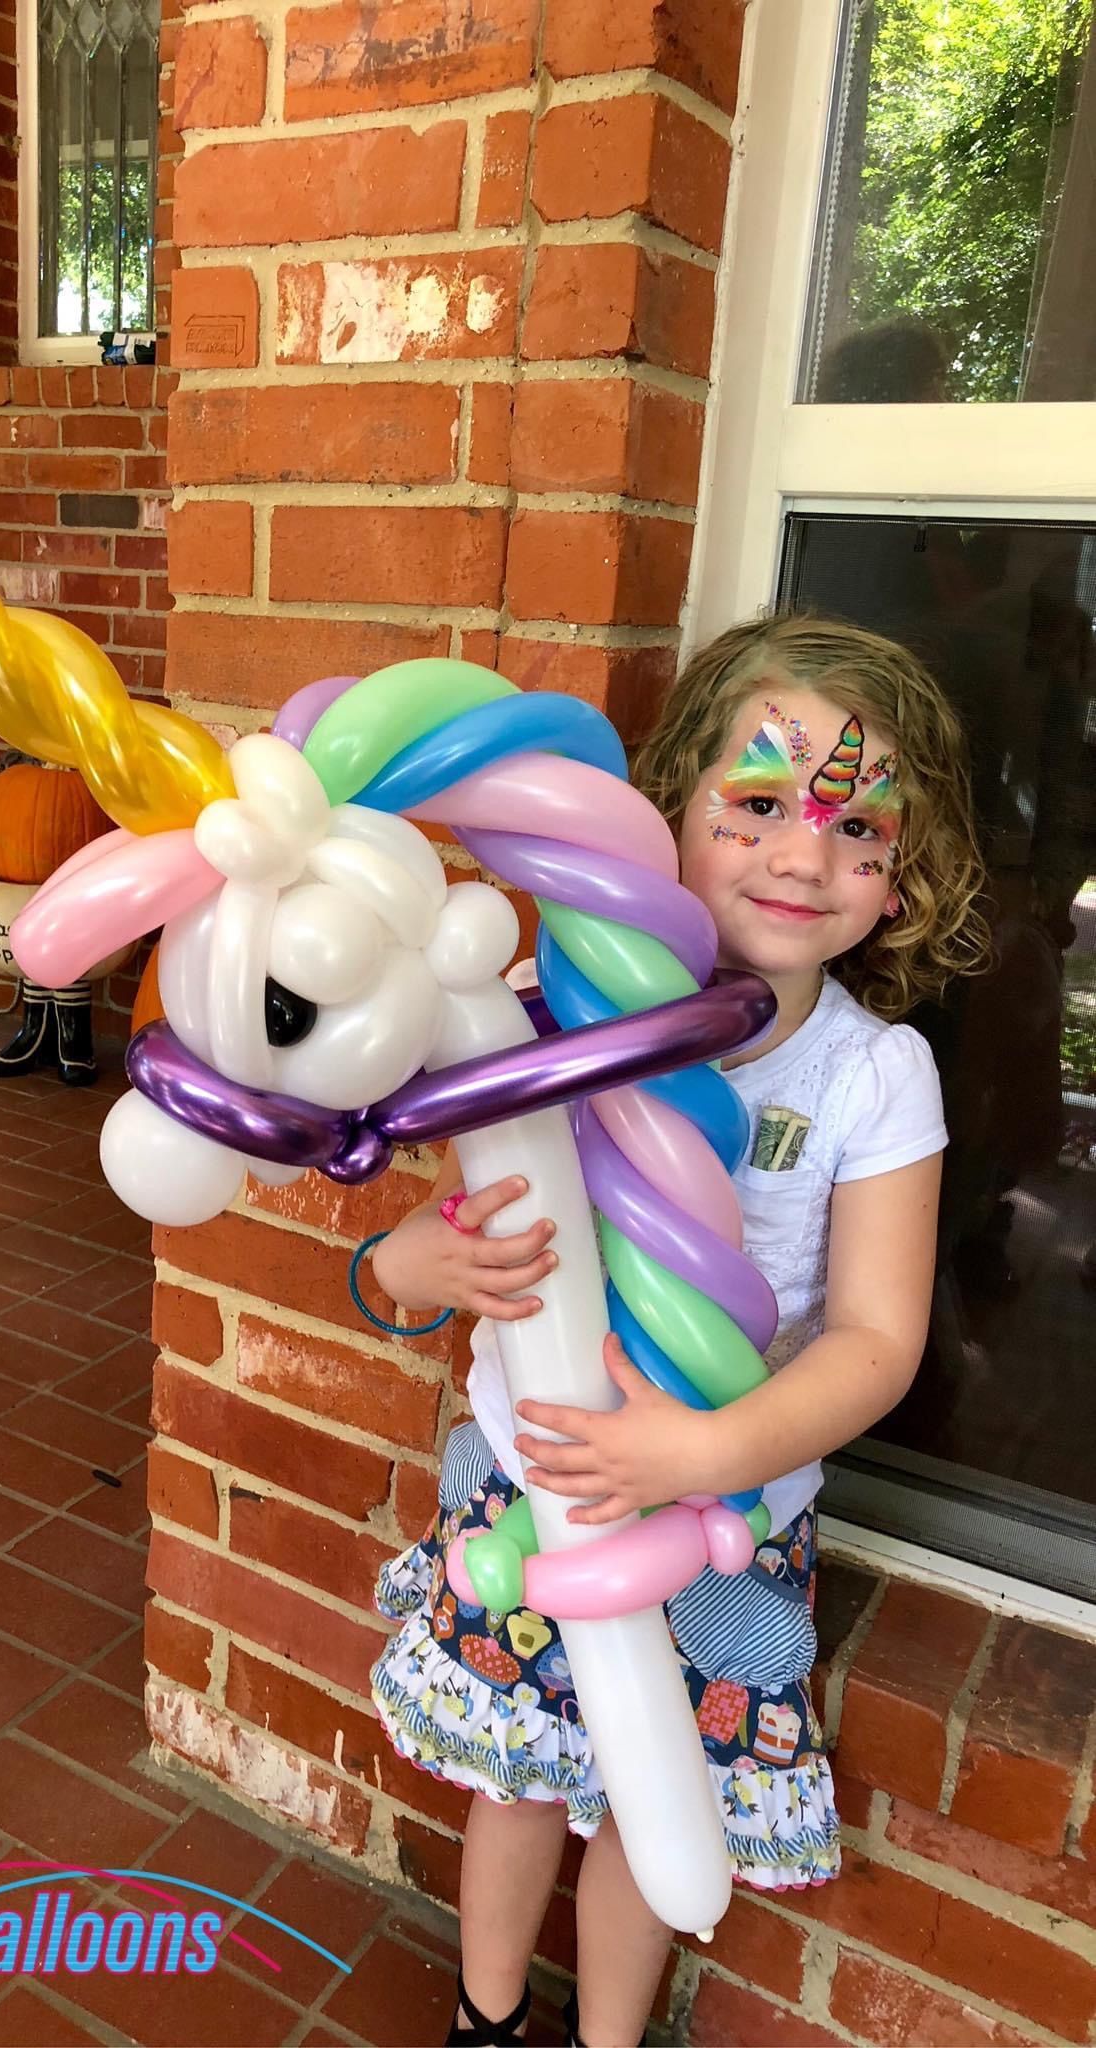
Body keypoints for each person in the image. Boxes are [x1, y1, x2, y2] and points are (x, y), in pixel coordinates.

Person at [366, 615, 989, 2047]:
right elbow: (437, 1238)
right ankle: (485, 2015)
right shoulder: (545, 1017)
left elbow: (876, 1339)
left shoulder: (872, 1077)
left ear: (903, 875)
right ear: (665, 814)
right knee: (520, 1780)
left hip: (723, 1516)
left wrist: (704, 1451)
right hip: (533, 1485)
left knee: (658, 1801)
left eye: (856, 827)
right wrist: (405, 1263)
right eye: (756, 803)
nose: (800, 857)